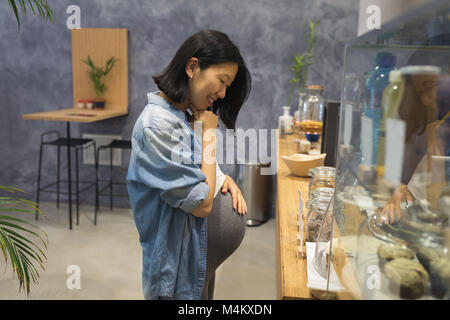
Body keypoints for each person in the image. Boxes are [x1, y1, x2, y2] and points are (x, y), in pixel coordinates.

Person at [126, 30, 252, 300]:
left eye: (227, 86)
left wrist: (220, 179)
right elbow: (201, 204)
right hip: (177, 274)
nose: (222, 93)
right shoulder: (157, 126)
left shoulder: (184, 116)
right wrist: (208, 136)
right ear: (193, 67)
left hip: (196, 260)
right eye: (222, 81)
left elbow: (197, 171)